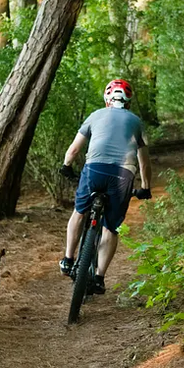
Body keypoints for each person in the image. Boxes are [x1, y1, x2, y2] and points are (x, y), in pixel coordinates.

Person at [58, 79, 152, 295]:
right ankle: (99, 278)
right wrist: (145, 187)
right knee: (111, 227)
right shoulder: (136, 122)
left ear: (107, 100)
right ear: (128, 103)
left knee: (79, 212)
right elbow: (144, 161)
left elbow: (73, 150)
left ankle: (67, 259)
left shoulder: (95, 115)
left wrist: (66, 166)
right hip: (122, 175)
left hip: (94, 171)